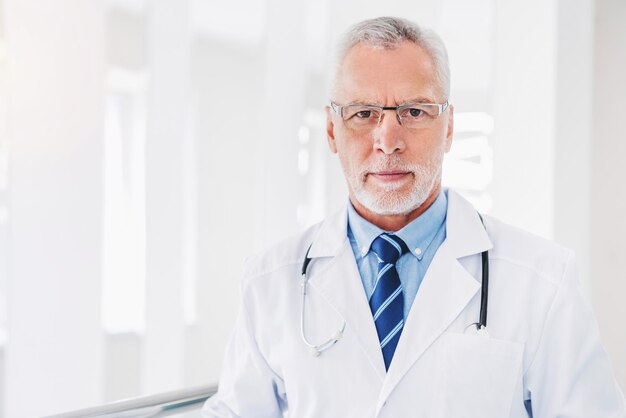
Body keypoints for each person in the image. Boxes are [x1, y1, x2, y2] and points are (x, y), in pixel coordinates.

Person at [203, 16, 626, 418]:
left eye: (415, 111)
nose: (388, 141)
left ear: (449, 128)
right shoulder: (269, 281)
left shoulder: (542, 280)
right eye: (363, 113)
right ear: (332, 130)